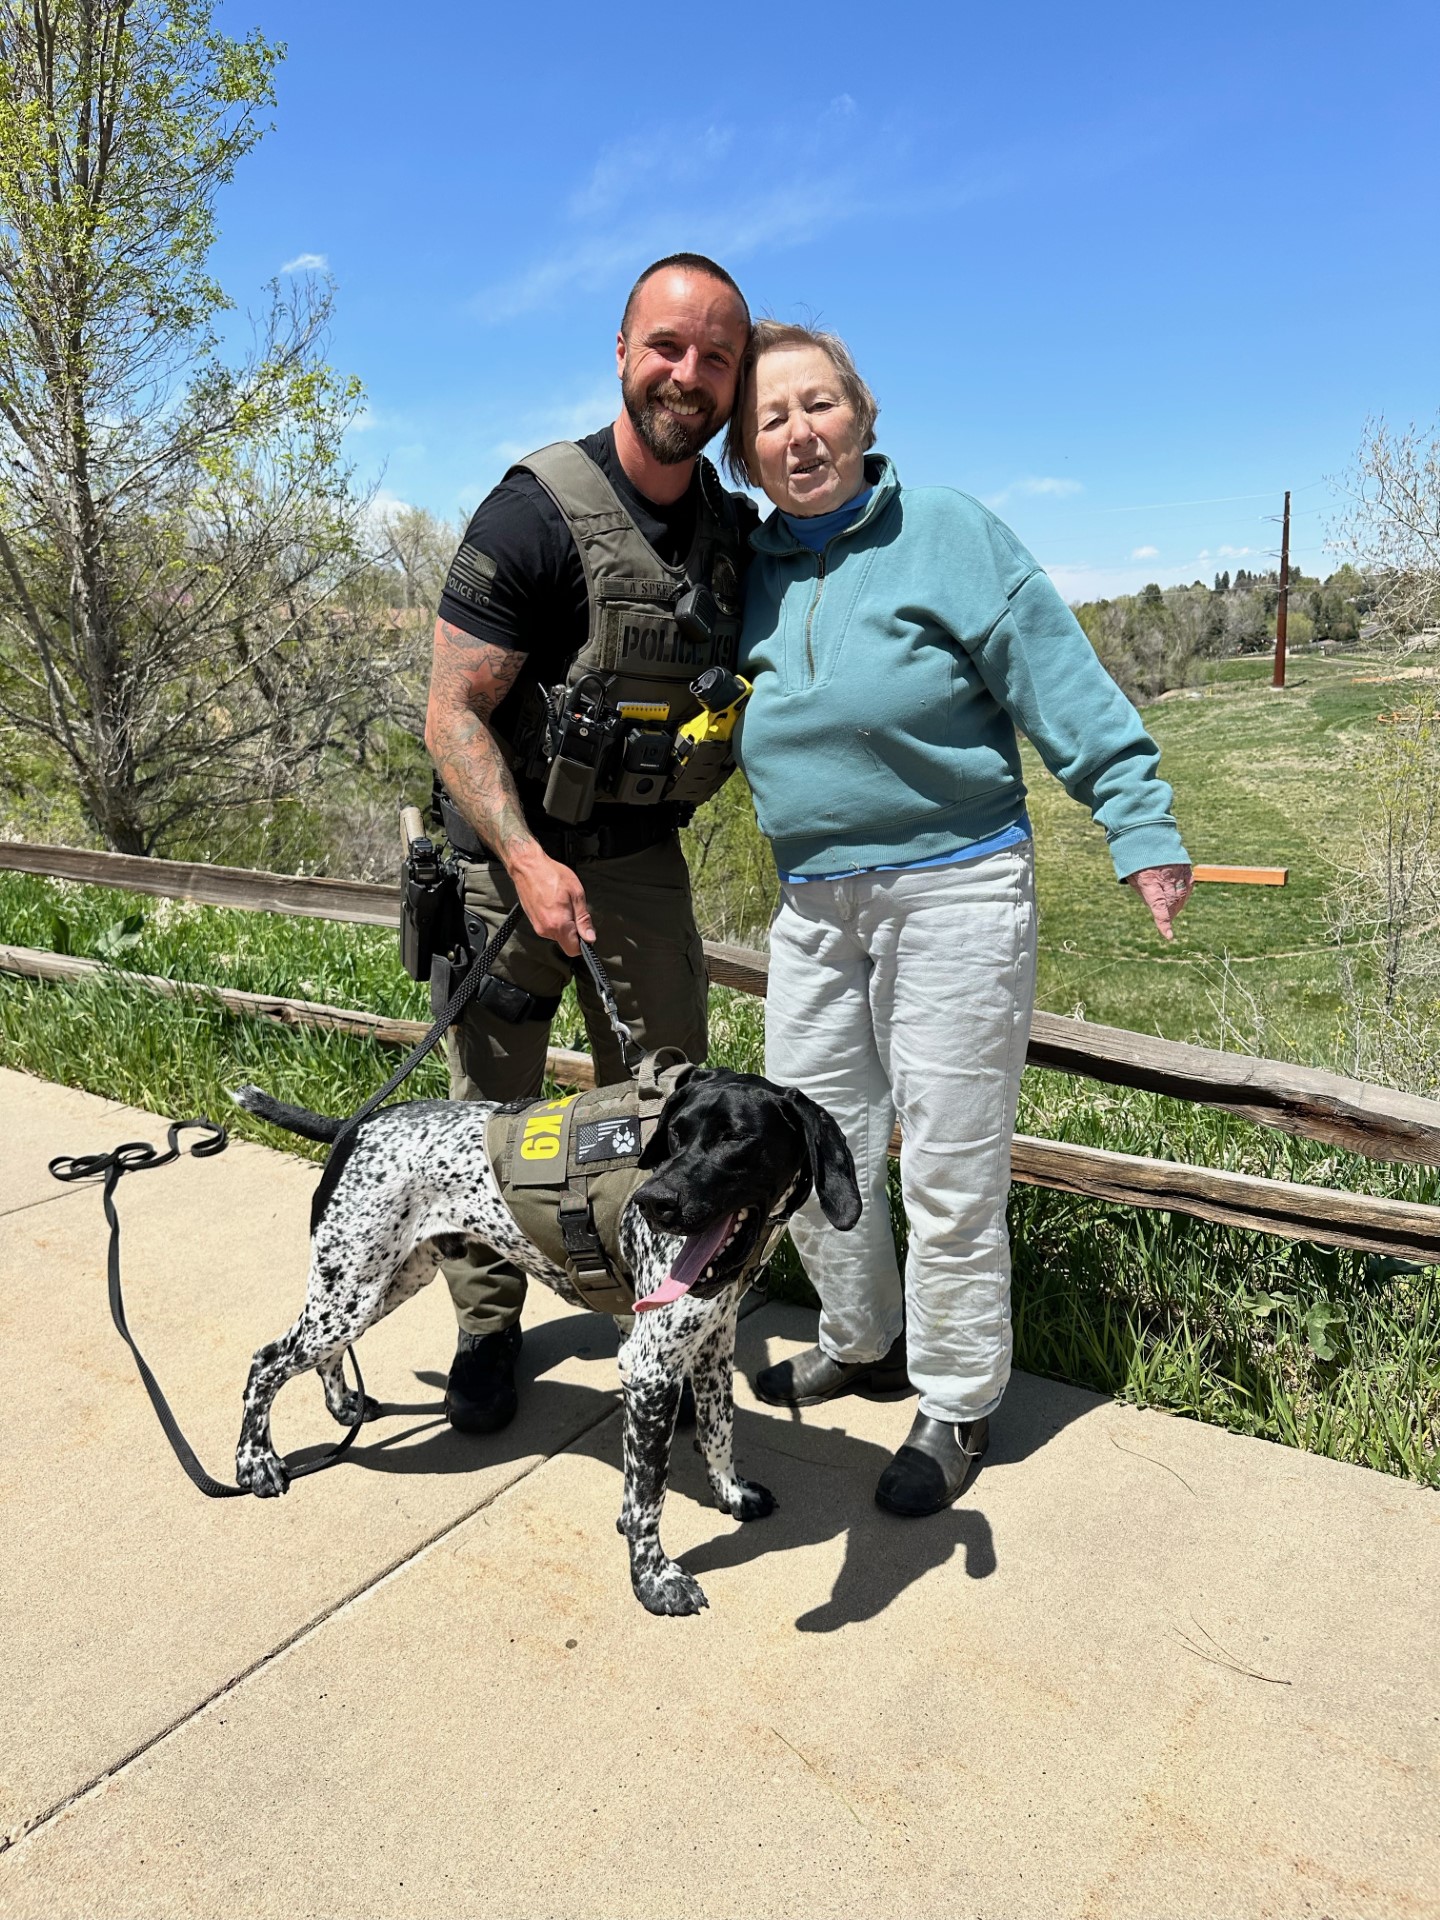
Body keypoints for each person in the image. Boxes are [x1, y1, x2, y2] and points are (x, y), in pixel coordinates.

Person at [727, 321, 1193, 1516]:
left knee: (948, 1159)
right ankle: (864, 1338)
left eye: (819, 404)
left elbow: (1058, 678)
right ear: (745, 452)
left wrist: (1138, 822)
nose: (800, 433)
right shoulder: (746, 572)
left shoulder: (946, 532)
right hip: (812, 901)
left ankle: (957, 1397)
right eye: (771, 418)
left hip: (957, 884)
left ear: (862, 414)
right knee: (812, 1144)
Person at [424, 254, 756, 1435]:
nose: (688, 373)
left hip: (639, 860)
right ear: (622, 352)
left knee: (662, 1106)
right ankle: (485, 1329)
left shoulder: (730, 535)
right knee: (489, 1114)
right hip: (503, 859)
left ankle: (654, 1320)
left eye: (716, 356)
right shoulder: (532, 513)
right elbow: (451, 714)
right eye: (667, 345)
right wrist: (524, 858)